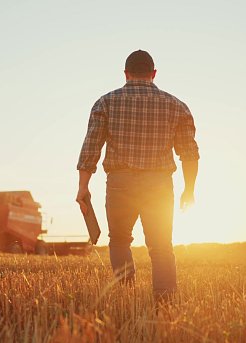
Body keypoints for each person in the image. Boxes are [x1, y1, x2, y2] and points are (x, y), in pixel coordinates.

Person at [75, 50, 200, 303]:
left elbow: (91, 148)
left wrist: (83, 187)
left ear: (126, 73)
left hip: (120, 183)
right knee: (162, 246)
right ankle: (164, 303)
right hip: (160, 185)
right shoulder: (176, 105)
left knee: (119, 241)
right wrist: (189, 190)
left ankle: (126, 296)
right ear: (154, 74)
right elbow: (189, 154)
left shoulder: (106, 102)